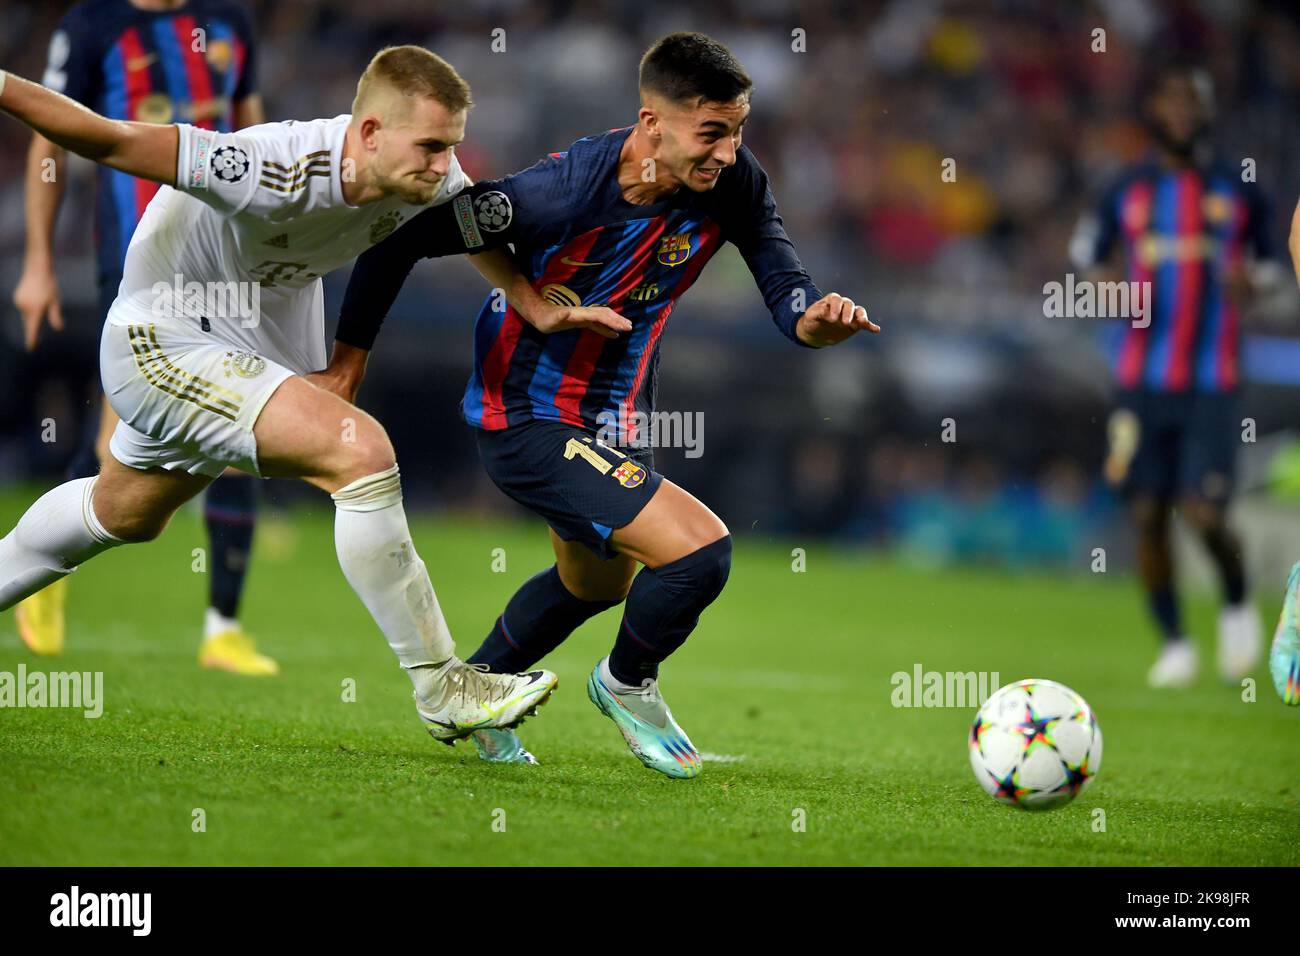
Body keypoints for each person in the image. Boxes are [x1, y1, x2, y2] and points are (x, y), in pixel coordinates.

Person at [327, 32, 878, 776]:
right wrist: (346, 368)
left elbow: (786, 286)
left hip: (615, 417)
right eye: (710, 131)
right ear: (652, 123)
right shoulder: (559, 193)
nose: (726, 150)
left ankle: (475, 697)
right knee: (699, 553)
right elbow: (395, 243)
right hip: (526, 413)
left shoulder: (737, 183)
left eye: (737, 130)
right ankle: (627, 683)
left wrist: (814, 321)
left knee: (596, 582)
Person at [0, 45, 560, 742]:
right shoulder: (268, 167)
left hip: (244, 353)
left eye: (452, 148)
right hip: (163, 342)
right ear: (368, 134)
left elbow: (470, 222)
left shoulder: (424, 178)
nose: (445, 166)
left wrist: (527, 300)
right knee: (359, 452)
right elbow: (107, 137)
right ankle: (441, 686)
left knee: (126, 512)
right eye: (431, 147)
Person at [13, 0, 274, 675]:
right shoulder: (91, 24)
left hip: (225, 258)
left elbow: (254, 128)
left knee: (245, 417)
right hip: (137, 257)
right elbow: (50, 142)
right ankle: (44, 566)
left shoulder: (230, 18)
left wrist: (277, 231)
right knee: (119, 435)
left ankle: (225, 628)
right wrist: (38, 263)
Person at [1072, 61, 1277, 688]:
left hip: (1212, 378)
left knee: (1205, 511)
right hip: (1138, 378)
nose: (1181, 114)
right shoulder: (1125, 186)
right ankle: (1175, 643)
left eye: (1193, 103)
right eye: (1171, 102)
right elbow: (1085, 255)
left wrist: (1256, 282)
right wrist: (1101, 284)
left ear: (1207, 113)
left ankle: (1238, 604)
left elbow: (1273, 264)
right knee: (1147, 514)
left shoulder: (1240, 187)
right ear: (1154, 112)